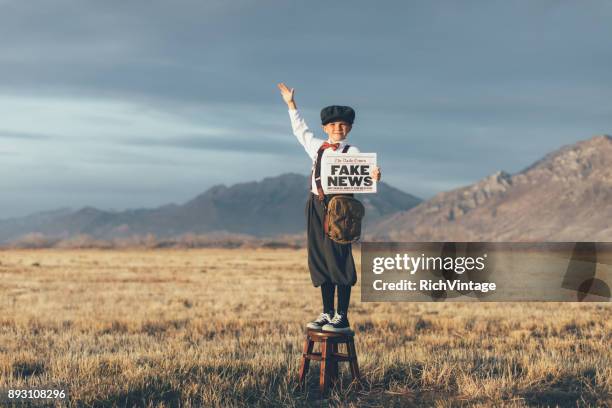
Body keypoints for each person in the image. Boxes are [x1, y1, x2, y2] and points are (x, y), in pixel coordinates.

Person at [277, 82, 381, 333]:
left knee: (340, 259)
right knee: (320, 258)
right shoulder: (317, 147)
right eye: (333, 125)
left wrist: (374, 175)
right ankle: (327, 312)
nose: (338, 128)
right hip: (316, 206)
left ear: (350, 128)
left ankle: (342, 315)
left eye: (343, 125)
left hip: (342, 210)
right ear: (325, 128)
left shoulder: (352, 150)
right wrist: (291, 104)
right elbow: (299, 130)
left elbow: (365, 175)